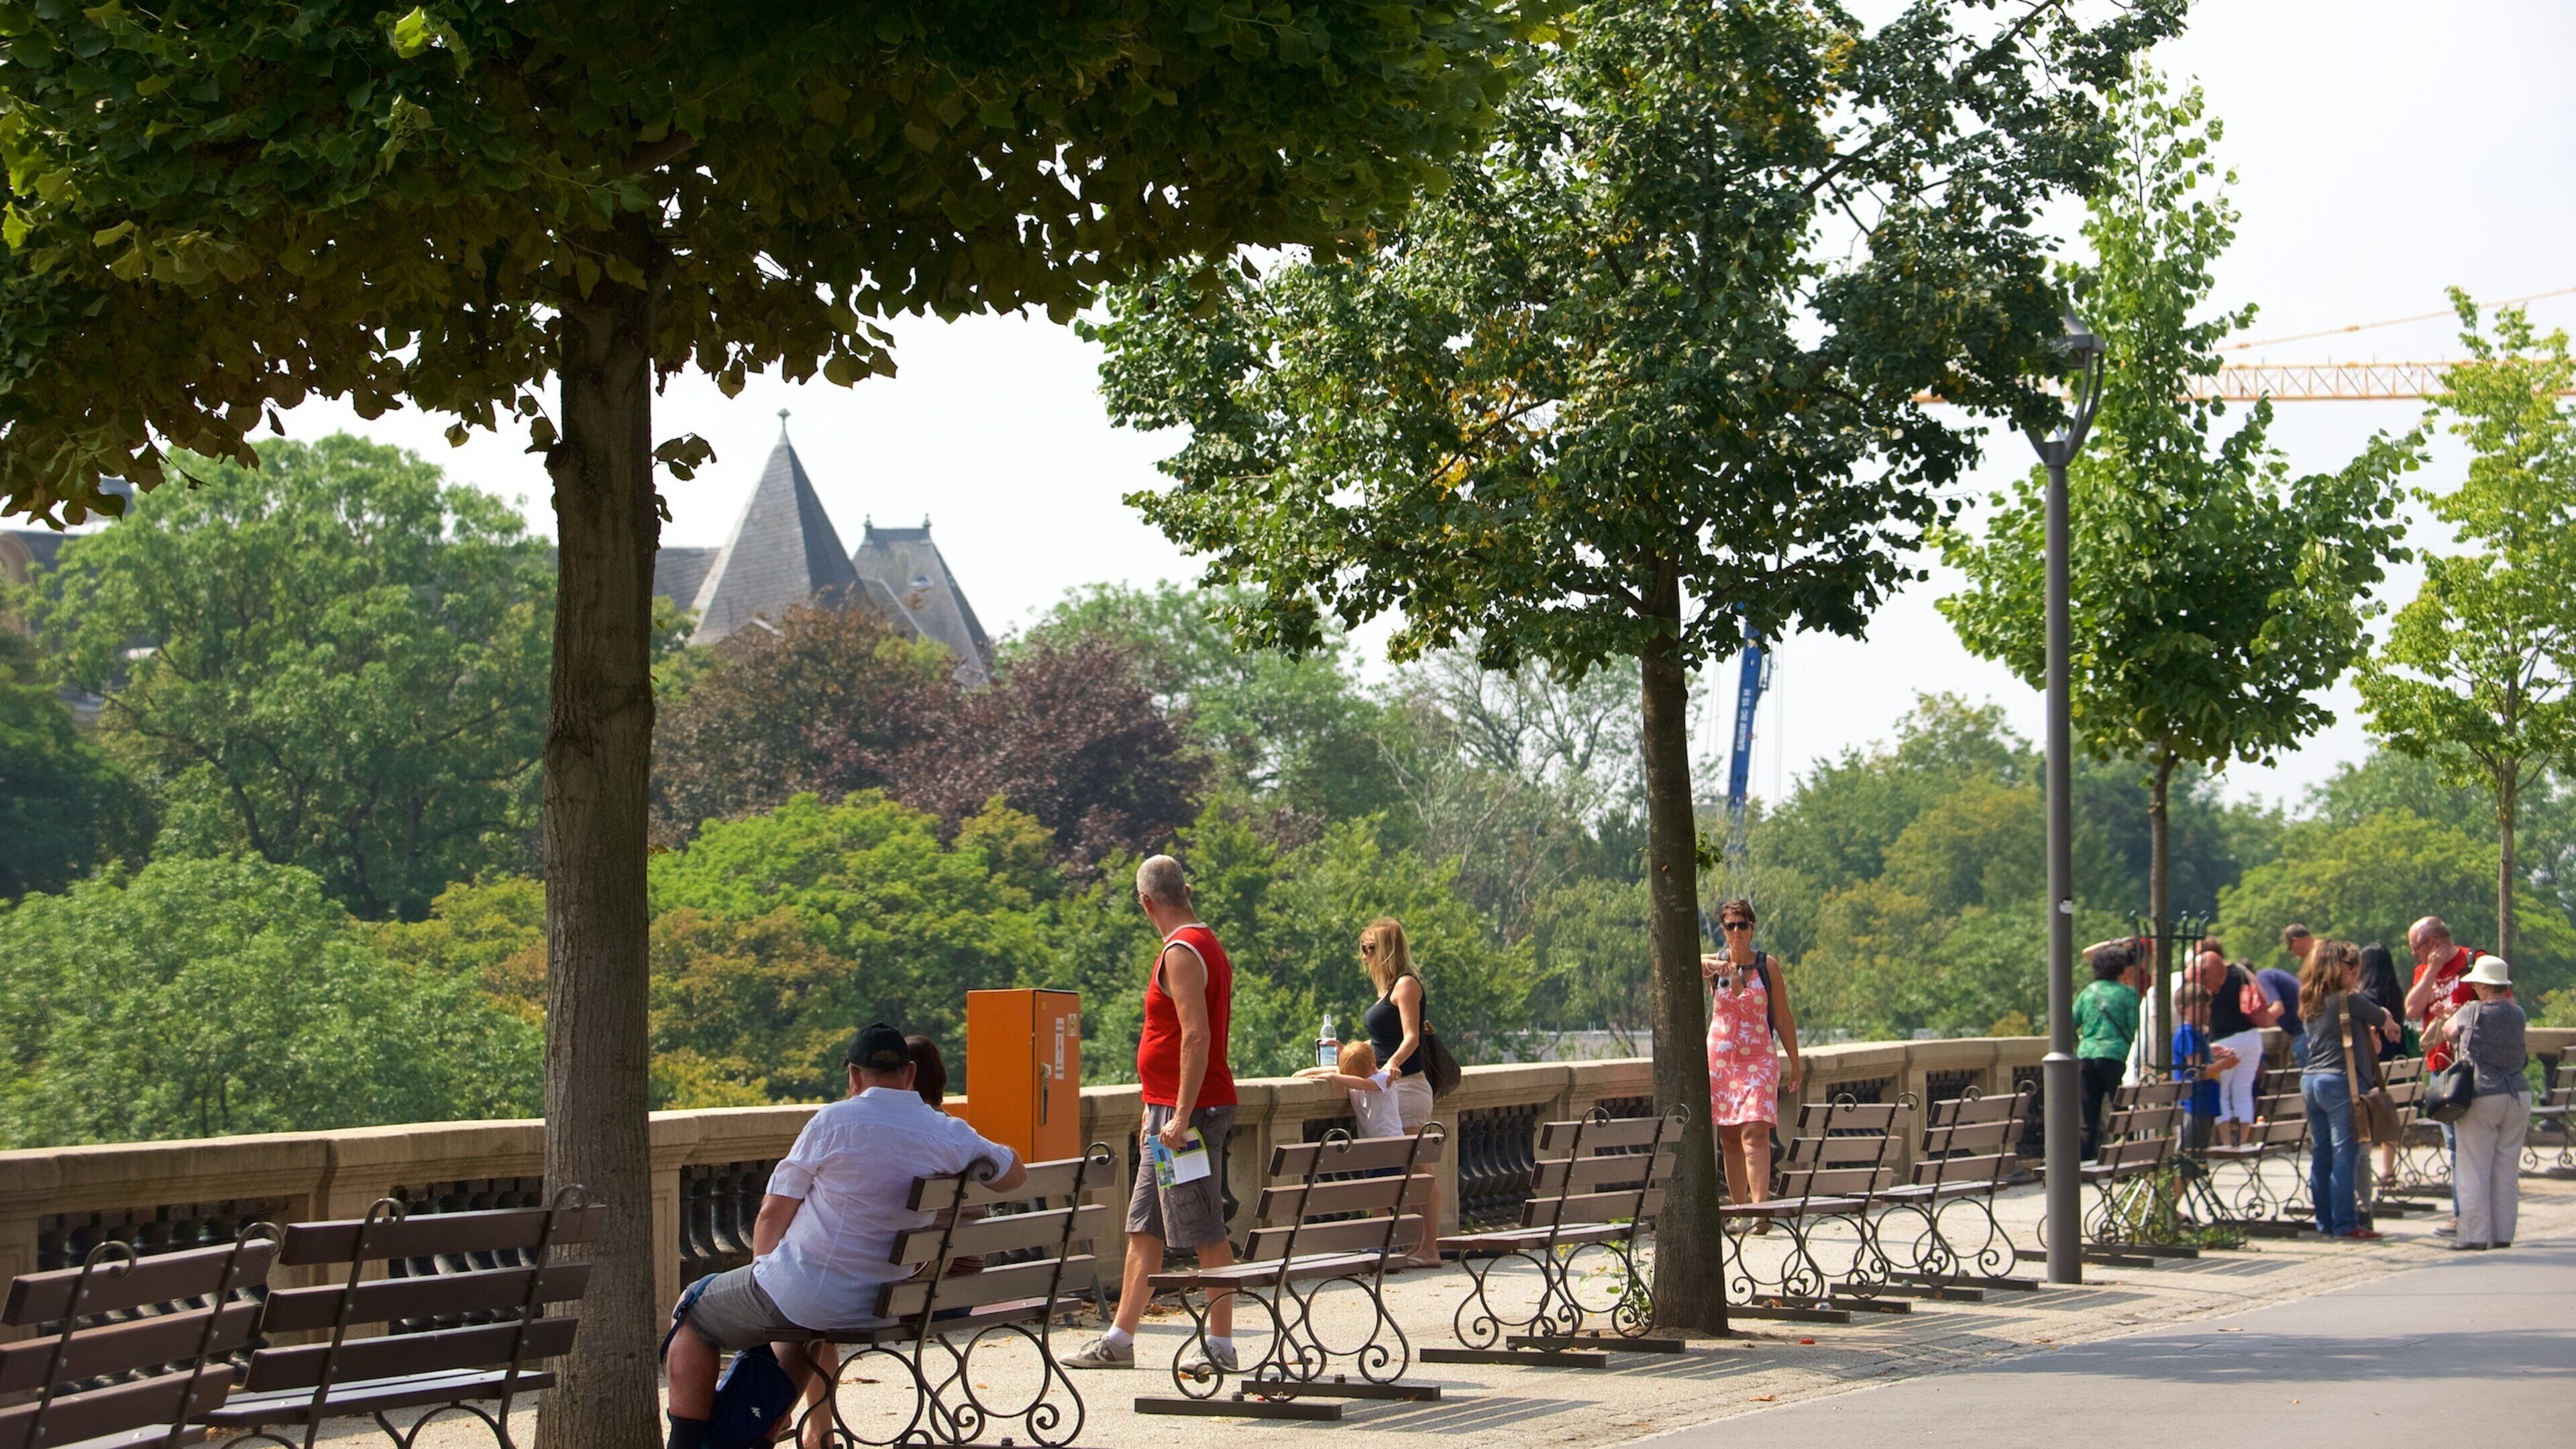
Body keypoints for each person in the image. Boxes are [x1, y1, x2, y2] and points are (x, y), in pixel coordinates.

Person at [663, 1023, 1024, 1449]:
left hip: (809, 1292)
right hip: (884, 1304)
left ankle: (686, 1443)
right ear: (909, 1075)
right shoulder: (948, 1132)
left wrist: (763, 1273)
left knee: (693, 1312)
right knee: (799, 1332)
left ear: (854, 1076)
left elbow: (772, 1213)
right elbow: (1013, 1174)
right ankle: (761, 1435)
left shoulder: (833, 1122)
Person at [1065, 855, 1241, 1375]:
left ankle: (1223, 1347)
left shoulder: (1183, 951)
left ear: (1146, 903)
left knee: (1207, 1229)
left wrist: (1180, 1115)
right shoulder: (1203, 943)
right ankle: (1120, 1340)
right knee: (1144, 1226)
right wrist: (1158, 1108)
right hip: (1165, 1110)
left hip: (1186, 1115)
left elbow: (1197, 1035)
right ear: (1186, 890)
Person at [1701, 898, 1805, 1205]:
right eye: (1730, 925)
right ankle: (1739, 1208)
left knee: (1755, 1135)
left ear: (1752, 927)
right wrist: (1718, 964)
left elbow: (1783, 1017)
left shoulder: (1766, 966)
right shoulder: (1715, 967)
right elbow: (1680, 958)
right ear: (1723, 929)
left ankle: (1760, 1211)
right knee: (1729, 1139)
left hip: (1758, 1061)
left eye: (1742, 925)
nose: (1736, 931)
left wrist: (1795, 1064)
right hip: (1720, 1063)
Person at [1357, 916, 1444, 1266]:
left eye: (1369, 949)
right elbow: (1382, 1040)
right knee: (1392, 1168)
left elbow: (1411, 1037)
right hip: (1391, 1089)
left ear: (1386, 950)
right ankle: (1403, 1244)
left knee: (1420, 1170)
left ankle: (1429, 1247)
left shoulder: (1406, 985)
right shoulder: (1386, 990)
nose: (1364, 956)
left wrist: (1392, 1063)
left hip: (1407, 1087)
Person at [2295, 940, 2391, 1240]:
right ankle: (2346, 1224)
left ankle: (2324, 1223)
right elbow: (2382, 1017)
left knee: (2322, 1155)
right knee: (2345, 1154)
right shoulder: (2347, 999)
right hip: (2340, 1083)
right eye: (2353, 966)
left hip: (2312, 1081)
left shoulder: (2309, 998)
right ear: (2340, 968)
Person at [2433, 956, 2530, 1250]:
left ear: (2483, 986)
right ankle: (2502, 1235)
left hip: (2483, 1094)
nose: (2473, 987)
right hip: (2518, 1095)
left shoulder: (2472, 1011)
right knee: (2506, 1169)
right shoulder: (2519, 1014)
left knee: (2473, 1167)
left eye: (2475, 983)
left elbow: (2449, 1032)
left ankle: (2474, 1236)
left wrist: (2452, 1012)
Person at [2194, 946, 2281, 1146]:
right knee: (2243, 1091)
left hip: (2223, 1040)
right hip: (2251, 1038)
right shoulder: (2240, 970)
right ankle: (2244, 1142)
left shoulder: (2207, 980)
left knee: (2222, 1093)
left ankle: (2226, 1144)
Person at [2354, 941, 2414, 1192]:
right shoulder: (2395, 994)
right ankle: (2387, 1169)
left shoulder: (2365, 999)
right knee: (2390, 1116)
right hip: (2399, 1070)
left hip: (2375, 1071)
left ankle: (2364, 1171)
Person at [2074, 939, 2140, 1161]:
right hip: (2115, 1057)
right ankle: (2124, 1161)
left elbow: (2069, 1022)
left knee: (2088, 1116)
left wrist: (2082, 1042)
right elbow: (2134, 1027)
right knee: (2121, 1112)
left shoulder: (2088, 992)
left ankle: (2083, 1164)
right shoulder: (2128, 994)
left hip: (2087, 1056)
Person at [2171, 978, 2238, 1153]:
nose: (2207, 1012)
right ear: (2182, 1008)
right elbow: (2197, 1072)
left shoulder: (2196, 1034)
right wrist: (2225, 1064)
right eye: (2200, 1008)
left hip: (2205, 1103)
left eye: (2208, 1007)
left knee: (2197, 1157)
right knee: (2189, 1159)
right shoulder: (2187, 1034)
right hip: (2194, 1104)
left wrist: (2212, 1052)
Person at [1297, 1040, 1404, 1139]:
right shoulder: (1357, 1076)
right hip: (1371, 1140)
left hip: (1391, 1137)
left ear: (1372, 1067)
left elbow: (1364, 1084)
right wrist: (1306, 1072)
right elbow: (1338, 1070)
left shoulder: (1384, 1077)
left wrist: (1332, 1077)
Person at [2257, 930, 2306, 1046]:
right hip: (2304, 1026)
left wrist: (2256, 1023)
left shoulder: (2262, 977)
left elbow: (2278, 1009)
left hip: (2302, 1029)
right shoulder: (2270, 974)